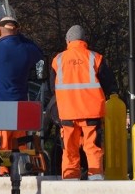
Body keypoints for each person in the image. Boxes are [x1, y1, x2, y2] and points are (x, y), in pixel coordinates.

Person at [50, 24, 118, 180]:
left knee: (69, 148)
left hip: (67, 112)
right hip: (91, 111)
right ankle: (95, 177)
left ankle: (70, 177)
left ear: (67, 40)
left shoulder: (58, 60)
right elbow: (108, 83)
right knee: (93, 147)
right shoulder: (95, 58)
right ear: (84, 40)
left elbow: (53, 87)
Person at [0, 14, 44, 150]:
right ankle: (18, 171)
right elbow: (38, 51)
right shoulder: (26, 50)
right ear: (17, 29)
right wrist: (19, 37)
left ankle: (2, 171)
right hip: (19, 110)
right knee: (20, 152)